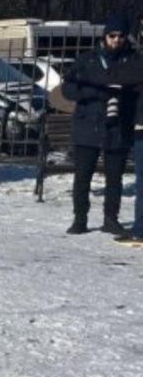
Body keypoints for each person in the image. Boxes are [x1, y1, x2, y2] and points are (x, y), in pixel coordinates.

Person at [59, 14, 137, 236]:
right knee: (83, 175)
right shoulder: (88, 59)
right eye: (112, 36)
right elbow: (67, 89)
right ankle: (80, 218)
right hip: (89, 123)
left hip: (117, 124)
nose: (117, 40)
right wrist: (93, 92)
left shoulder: (132, 60)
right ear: (105, 36)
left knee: (115, 177)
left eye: (121, 36)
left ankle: (111, 218)